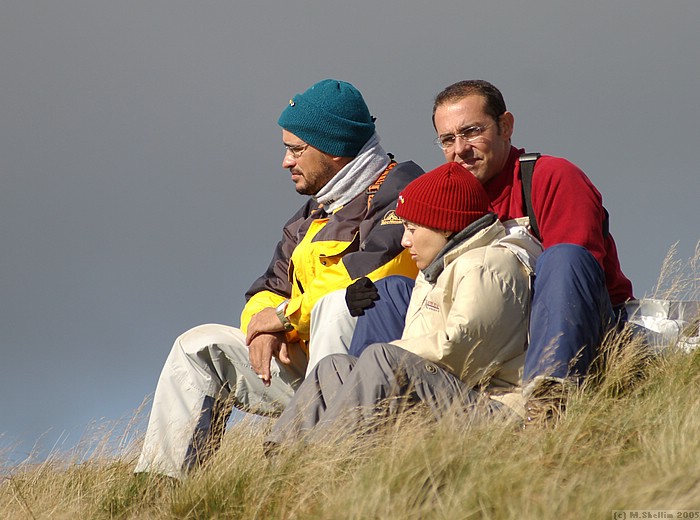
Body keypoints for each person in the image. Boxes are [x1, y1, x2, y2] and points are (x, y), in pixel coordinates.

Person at [134, 79, 424, 479]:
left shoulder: (403, 193)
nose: (285, 162)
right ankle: (161, 487)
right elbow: (266, 289)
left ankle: (318, 465)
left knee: (335, 309)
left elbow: (368, 286)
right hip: (305, 359)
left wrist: (286, 318)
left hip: (369, 367)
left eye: (295, 149)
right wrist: (265, 327)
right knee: (197, 346)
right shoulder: (315, 211)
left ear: (335, 148)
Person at [349, 80, 634, 423]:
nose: (460, 149)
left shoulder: (549, 177)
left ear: (506, 126)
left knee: (564, 257)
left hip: (573, 330)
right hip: (485, 328)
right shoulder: (446, 197)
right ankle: (362, 414)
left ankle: (550, 401)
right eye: (447, 140)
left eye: (471, 132)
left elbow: (576, 275)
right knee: (386, 292)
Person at [265, 162, 543, 447]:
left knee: (380, 359)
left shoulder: (487, 265)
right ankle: (277, 462)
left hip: (495, 412)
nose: (404, 240)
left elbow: (462, 354)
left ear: (443, 225)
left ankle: (326, 460)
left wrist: (384, 361)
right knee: (333, 367)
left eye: (411, 228)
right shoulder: (436, 269)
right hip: (449, 395)